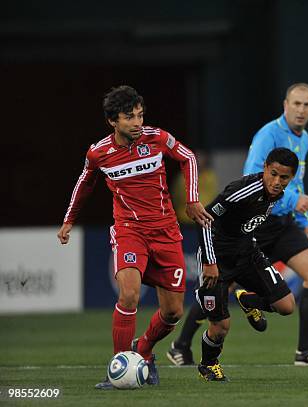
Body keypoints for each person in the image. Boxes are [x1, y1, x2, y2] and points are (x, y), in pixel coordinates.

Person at [167, 82, 308, 366]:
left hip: (284, 223)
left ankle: (305, 350)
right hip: (256, 224)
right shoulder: (268, 135)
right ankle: (180, 345)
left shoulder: (304, 138)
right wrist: (293, 201)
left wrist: (301, 216)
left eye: (306, 105)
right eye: (296, 103)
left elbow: (296, 183)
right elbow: (253, 179)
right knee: (220, 283)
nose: (301, 110)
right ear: (285, 105)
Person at [57, 85, 213, 389]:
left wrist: (192, 198)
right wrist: (68, 221)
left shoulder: (156, 138)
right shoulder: (99, 152)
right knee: (128, 295)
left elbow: (189, 158)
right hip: (130, 230)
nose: (138, 122)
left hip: (167, 231)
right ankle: (119, 366)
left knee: (172, 312)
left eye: (140, 115)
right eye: (130, 117)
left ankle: (143, 351)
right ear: (113, 121)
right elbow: (84, 183)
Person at [194, 147, 298, 381]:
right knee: (221, 326)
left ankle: (248, 300)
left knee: (287, 305)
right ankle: (208, 365)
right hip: (218, 259)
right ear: (264, 169)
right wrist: (210, 262)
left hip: (247, 254)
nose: (277, 181)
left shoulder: (277, 194)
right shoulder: (241, 190)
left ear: (291, 178)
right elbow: (204, 219)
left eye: (284, 177)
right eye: (273, 174)